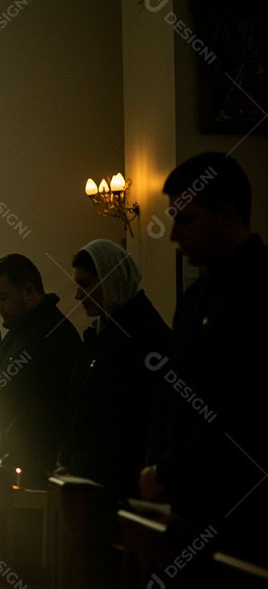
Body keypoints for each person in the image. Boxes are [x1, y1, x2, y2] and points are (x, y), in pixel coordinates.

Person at [142, 152, 267, 568]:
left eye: (186, 219)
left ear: (227, 214)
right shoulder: (197, 295)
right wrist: (158, 465)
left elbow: (241, 405)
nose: (174, 234)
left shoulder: (259, 288)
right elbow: (174, 389)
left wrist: (169, 470)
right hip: (188, 504)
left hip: (243, 507)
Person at [56, 239, 170, 498]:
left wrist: (79, 466)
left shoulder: (141, 334)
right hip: (92, 478)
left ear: (111, 279)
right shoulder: (104, 333)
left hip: (119, 485)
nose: (77, 296)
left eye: (85, 284)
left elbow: (123, 419)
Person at [0, 254, 80, 488]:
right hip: (7, 463)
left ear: (29, 291)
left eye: (2, 297)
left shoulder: (54, 336)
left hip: (33, 476)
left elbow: (39, 414)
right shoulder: (19, 330)